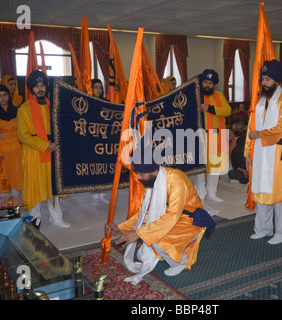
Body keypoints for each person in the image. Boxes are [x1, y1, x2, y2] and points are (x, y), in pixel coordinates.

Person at [105, 142, 212, 284]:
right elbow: (144, 212)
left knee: (155, 238)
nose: (138, 178)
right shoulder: (150, 181)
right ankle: (172, 251)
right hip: (171, 218)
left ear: (152, 171)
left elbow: (173, 215)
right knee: (150, 234)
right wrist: (121, 227)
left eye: (141, 174)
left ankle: (181, 261)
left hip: (190, 219)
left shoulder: (176, 179)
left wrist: (138, 233)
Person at [245, 59, 282, 245]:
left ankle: (281, 233)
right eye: (262, 79)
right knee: (261, 190)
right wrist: (247, 153)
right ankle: (263, 229)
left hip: (278, 154)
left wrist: (259, 134)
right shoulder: (260, 100)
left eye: (267, 79)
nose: (263, 82)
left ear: (276, 81)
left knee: (279, 195)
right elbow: (250, 128)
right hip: (259, 153)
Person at [17, 70, 70, 229]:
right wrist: (46, 144)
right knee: (36, 187)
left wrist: (56, 143)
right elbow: (23, 136)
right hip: (35, 153)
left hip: (53, 153)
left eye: (42, 86)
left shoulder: (52, 106)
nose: (40, 89)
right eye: (36, 86)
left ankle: (56, 218)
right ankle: (35, 218)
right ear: (31, 89)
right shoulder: (24, 109)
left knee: (53, 186)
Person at [192, 69, 231, 203]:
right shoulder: (195, 95)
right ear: (201, 82)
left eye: (210, 83)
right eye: (205, 82)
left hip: (216, 136)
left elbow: (227, 111)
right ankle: (200, 192)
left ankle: (211, 193)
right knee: (201, 167)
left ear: (214, 84)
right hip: (200, 137)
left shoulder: (219, 96)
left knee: (215, 166)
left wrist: (211, 108)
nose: (207, 85)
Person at [91, 78, 110, 204]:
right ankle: (94, 193)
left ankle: (103, 192)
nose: (98, 90)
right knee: (94, 165)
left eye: (100, 87)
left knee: (104, 164)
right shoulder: (88, 101)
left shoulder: (107, 102)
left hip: (104, 138)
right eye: (95, 87)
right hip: (93, 138)